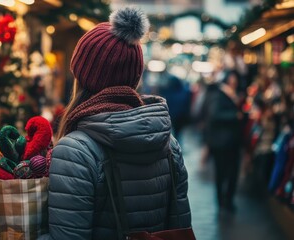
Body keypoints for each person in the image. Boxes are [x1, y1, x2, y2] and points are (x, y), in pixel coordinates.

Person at [38, 8, 192, 240]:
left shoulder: (75, 151)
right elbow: (179, 226)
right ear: (134, 78)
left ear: (83, 77)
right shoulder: (170, 145)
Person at [203, 70, 243, 212]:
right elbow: (215, 115)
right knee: (221, 173)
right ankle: (221, 200)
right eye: (231, 81)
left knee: (233, 173)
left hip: (233, 142)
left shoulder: (235, 95)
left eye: (235, 81)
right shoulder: (219, 94)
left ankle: (228, 200)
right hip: (221, 142)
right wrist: (235, 116)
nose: (234, 83)